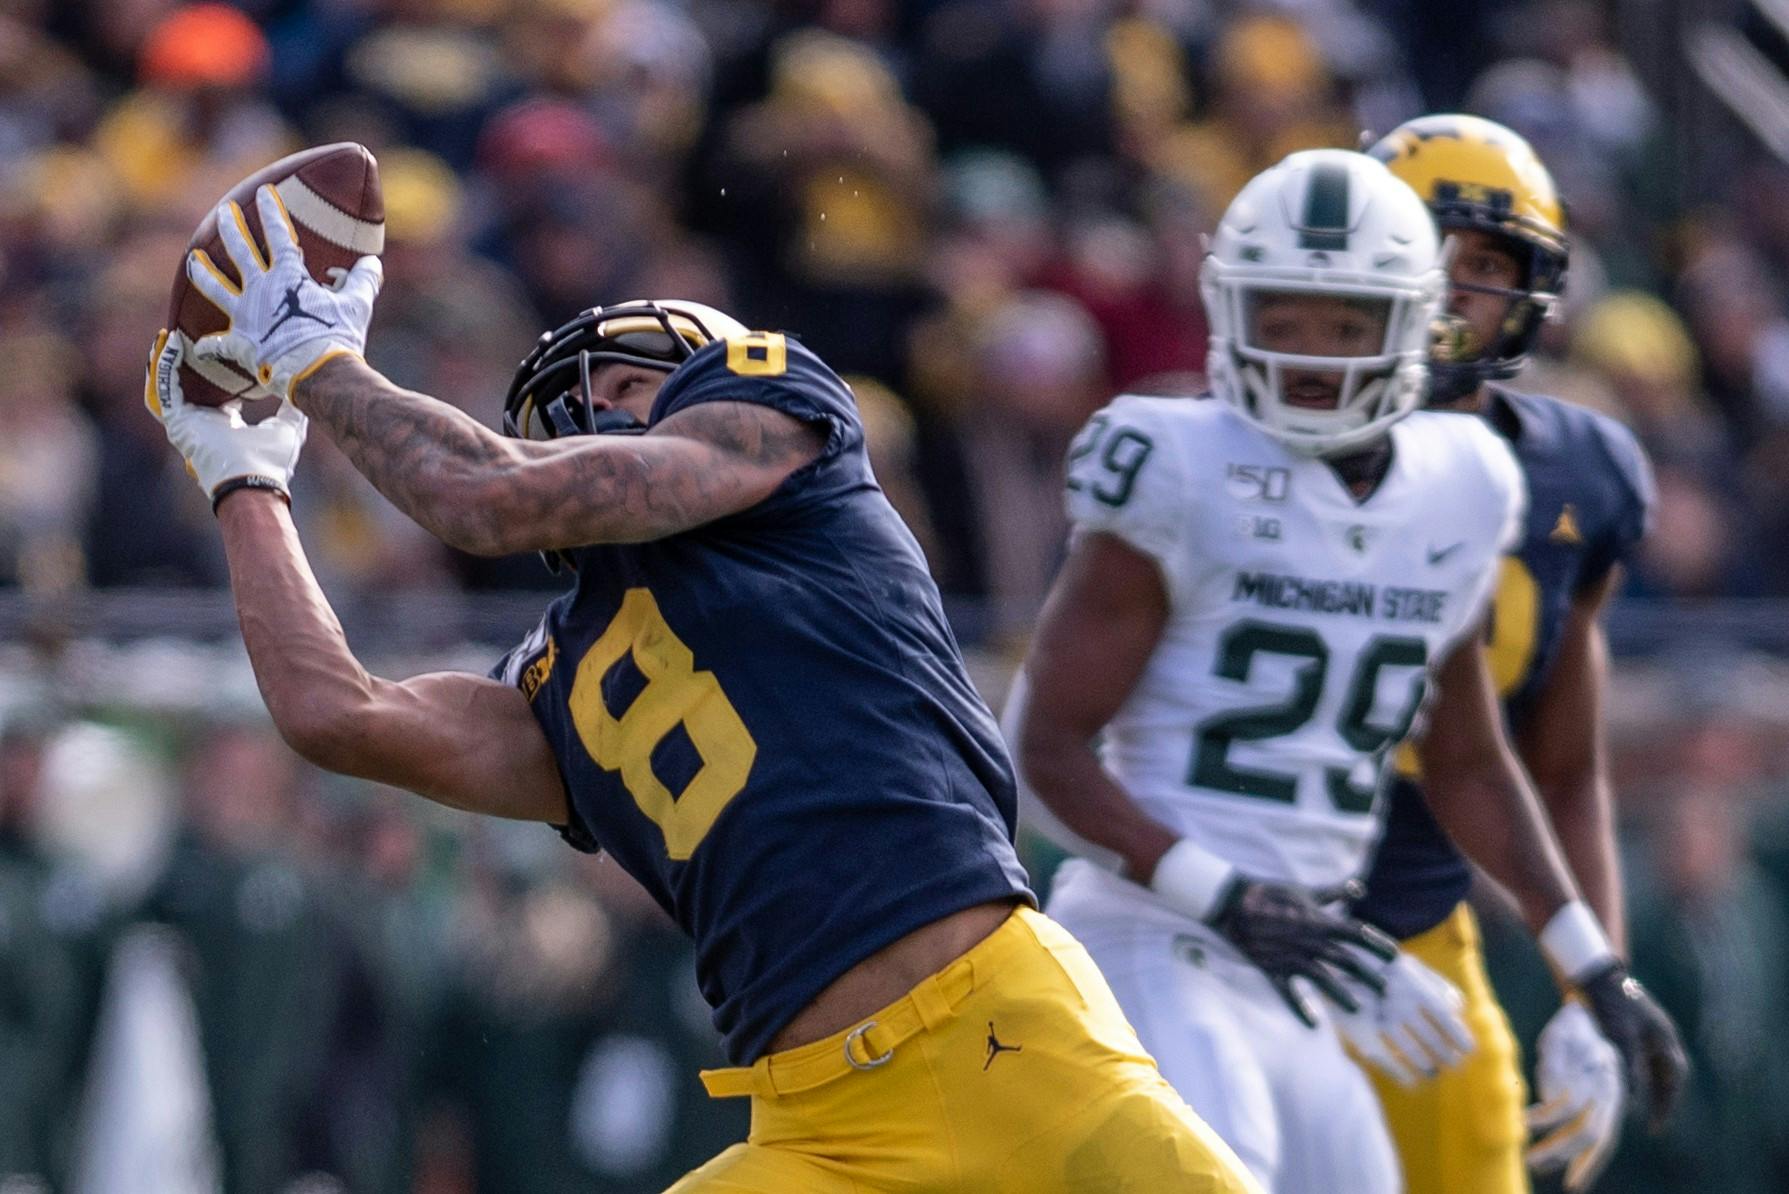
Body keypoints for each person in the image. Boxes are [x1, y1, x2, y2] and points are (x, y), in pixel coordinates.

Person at [146, 184, 1259, 1193]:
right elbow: (338, 713)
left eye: (630, 383)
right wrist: (242, 473)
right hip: (813, 1127)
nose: (599, 414)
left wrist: (316, 358)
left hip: (1007, 1037)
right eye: (575, 410)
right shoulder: (561, 674)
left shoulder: (787, 446)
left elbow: (477, 494)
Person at [1005, 148, 1685, 1194]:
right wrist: (1225, 895)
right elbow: (1040, 745)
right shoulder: (1176, 463)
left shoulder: (1462, 486)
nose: (1309, 355)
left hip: (1305, 965)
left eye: (1344, 323)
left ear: (1412, 326)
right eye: (1280, 318)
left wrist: (1592, 968)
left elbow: (1468, 763)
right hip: (1160, 936)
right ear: (1228, 312)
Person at [1350, 113, 1667, 1194]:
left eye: (1480, 265)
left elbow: (1561, 767)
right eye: (1417, 254)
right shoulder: (1255, 453)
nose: (1445, 292)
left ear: (1531, 288)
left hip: (1422, 933)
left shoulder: (1580, 477)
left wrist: (1592, 984)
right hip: (1224, 920)